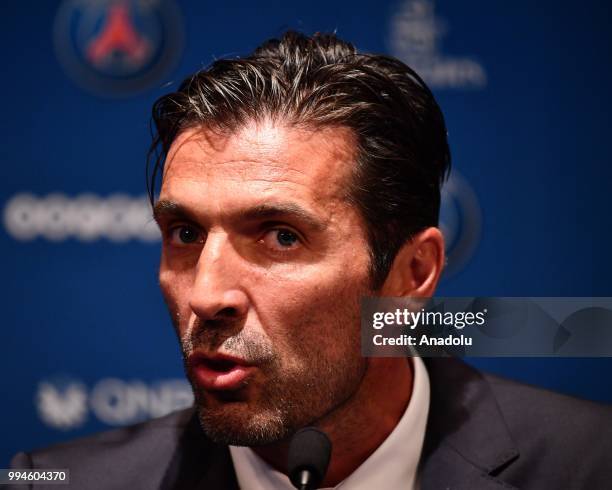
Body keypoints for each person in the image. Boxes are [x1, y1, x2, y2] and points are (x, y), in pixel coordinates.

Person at [10, 31, 612, 489]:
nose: (205, 295)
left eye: (280, 237)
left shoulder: (589, 462)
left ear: (412, 274)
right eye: (186, 232)